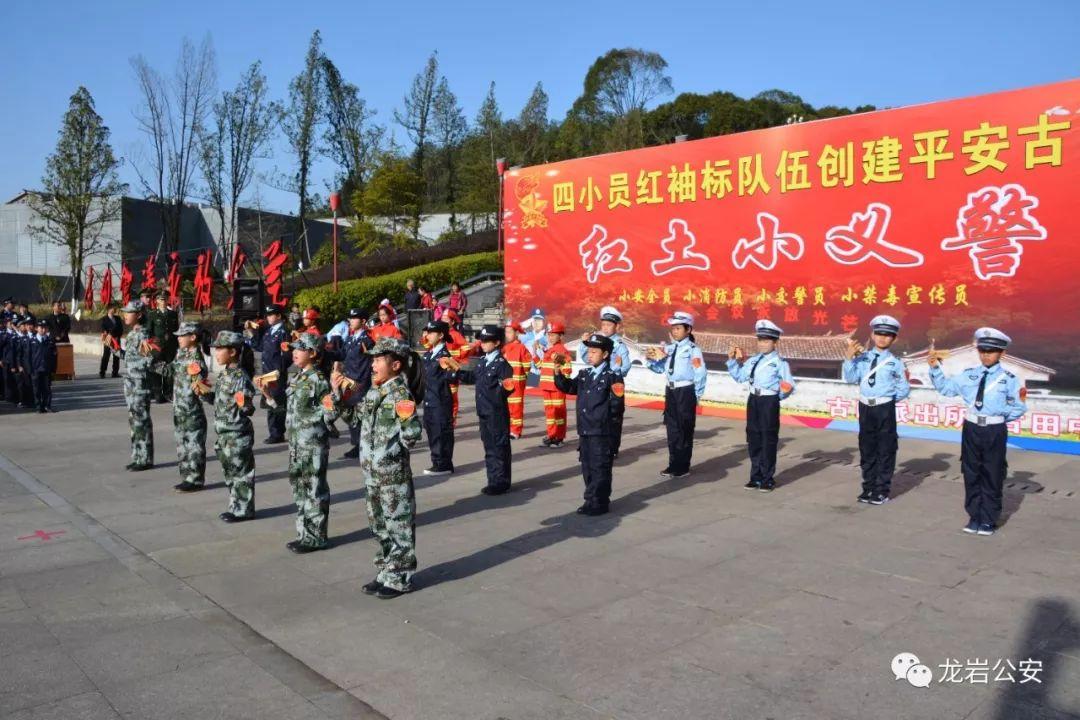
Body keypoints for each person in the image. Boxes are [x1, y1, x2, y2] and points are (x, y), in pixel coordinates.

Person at [341, 337, 423, 599]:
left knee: (398, 525)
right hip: (372, 474)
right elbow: (355, 418)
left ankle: (399, 577)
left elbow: (412, 433)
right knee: (380, 526)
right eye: (372, 360)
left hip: (392, 475)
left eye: (378, 360)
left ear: (395, 364)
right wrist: (342, 397)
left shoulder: (401, 394)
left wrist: (404, 432)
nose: (373, 364)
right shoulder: (375, 392)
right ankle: (386, 571)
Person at [928, 328, 1027, 536]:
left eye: (991, 351)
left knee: (992, 473)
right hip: (971, 428)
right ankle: (974, 516)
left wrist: (995, 419)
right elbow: (946, 388)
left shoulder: (1009, 379)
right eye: (982, 350)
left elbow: (1018, 407)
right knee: (971, 472)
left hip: (994, 429)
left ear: (1002, 354)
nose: (986, 355)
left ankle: (989, 519)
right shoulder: (968, 375)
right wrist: (935, 368)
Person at [263, 333, 339, 552]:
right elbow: (289, 410)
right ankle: (304, 533)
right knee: (300, 489)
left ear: (313, 353)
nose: (294, 353)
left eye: (300, 349)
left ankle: (316, 537)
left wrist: (335, 394)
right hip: (297, 443)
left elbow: (329, 413)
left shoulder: (318, 380)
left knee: (314, 489)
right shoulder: (298, 378)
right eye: (294, 349)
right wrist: (268, 396)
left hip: (313, 443)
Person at [842, 315, 911, 505]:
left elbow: (904, 388)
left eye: (888, 335)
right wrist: (848, 359)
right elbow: (850, 378)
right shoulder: (861, 358)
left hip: (884, 408)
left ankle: (881, 490)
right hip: (865, 407)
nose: (882, 338)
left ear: (894, 339)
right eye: (879, 333)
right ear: (872, 335)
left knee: (885, 449)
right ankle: (868, 488)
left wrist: (886, 400)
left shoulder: (896, 363)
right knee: (867, 448)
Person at [554, 333, 625, 515]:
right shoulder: (585, 374)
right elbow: (569, 387)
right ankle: (590, 500)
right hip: (585, 429)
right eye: (588, 351)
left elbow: (617, 409)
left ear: (605, 354)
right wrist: (558, 373)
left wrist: (613, 438)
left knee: (600, 467)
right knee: (587, 467)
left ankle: (600, 503)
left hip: (601, 432)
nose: (590, 355)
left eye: (594, 351)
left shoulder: (613, 378)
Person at [443, 325, 514, 495]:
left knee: (499, 447)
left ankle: (501, 481)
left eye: (487, 340)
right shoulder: (483, 361)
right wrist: (456, 370)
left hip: (496, 412)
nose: (482, 343)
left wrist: (497, 395)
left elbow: (509, 387)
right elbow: (472, 378)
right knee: (489, 447)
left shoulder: (502, 364)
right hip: (483, 411)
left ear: (497, 342)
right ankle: (493, 479)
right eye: (481, 340)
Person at [726, 320, 796, 492]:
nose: (762, 344)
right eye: (760, 340)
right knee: (753, 438)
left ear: (775, 342)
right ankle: (755, 476)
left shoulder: (780, 363)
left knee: (768, 439)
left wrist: (774, 397)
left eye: (766, 340)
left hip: (768, 402)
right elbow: (740, 377)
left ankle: (767, 478)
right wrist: (733, 361)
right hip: (753, 400)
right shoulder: (753, 360)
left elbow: (788, 385)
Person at [202, 331, 258, 521]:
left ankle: (243, 510)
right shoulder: (226, 374)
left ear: (232, 352)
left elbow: (248, 407)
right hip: (224, 432)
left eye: (219, 349)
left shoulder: (240, 377)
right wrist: (204, 393)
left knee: (241, 474)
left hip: (237, 433)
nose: (216, 353)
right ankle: (236, 506)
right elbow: (219, 401)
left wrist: (245, 405)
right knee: (231, 473)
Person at [646, 311, 708, 478]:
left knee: (684, 429)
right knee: (672, 429)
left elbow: (700, 373)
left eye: (679, 328)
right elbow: (659, 369)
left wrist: (697, 395)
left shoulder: (693, 350)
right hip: (671, 390)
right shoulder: (669, 349)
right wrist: (650, 359)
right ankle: (673, 464)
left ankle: (683, 465)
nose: (675, 331)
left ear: (688, 330)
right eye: (673, 328)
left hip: (685, 391)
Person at [578, 305, 632, 457]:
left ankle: (612, 449)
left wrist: (611, 371)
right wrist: (584, 345)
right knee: (597, 413)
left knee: (614, 415)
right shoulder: (597, 342)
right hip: (598, 383)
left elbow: (625, 367)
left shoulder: (620, 345)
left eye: (609, 325)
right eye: (604, 325)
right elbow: (586, 359)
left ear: (617, 326)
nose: (606, 328)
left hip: (613, 382)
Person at [165, 322, 209, 492]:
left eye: (183, 335)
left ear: (193, 337)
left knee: (194, 445)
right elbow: (170, 370)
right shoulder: (181, 354)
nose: (179, 338)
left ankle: (196, 479)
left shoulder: (196, 359)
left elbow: (200, 385)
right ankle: (186, 477)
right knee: (182, 445)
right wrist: (150, 361)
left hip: (192, 409)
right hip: (179, 407)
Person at [328, 308, 375, 459]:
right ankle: (357, 444)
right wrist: (324, 351)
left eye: (354, 318)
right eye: (350, 318)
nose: (351, 321)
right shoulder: (350, 338)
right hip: (348, 382)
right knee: (351, 416)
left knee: (360, 417)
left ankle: (362, 446)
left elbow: (373, 361)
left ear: (363, 321)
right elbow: (342, 354)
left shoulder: (367, 341)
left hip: (361, 383)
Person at [120, 300, 158, 470]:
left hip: (140, 383)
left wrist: (137, 367)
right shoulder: (132, 334)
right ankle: (137, 456)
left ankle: (145, 459)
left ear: (139, 315)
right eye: (125, 312)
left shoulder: (144, 335)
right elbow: (130, 358)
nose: (125, 315)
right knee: (134, 421)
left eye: (129, 312)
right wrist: (114, 348)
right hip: (131, 382)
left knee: (141, 420)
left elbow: (149, 360)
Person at [420, 320, 456, 475]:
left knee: (441, 432)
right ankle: (436, 461)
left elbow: (453, 377)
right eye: (427, 332)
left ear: (441, 335)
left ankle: (444, 464)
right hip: (429, 399)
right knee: (432, 431)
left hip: (440, 400)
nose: (427, 335)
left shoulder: (445, 356)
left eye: (431, 332)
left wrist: (451, 367)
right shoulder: (428, 355)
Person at [250, 305, 290, 444]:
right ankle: (273, 431)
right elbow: (258, 346)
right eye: (267, 315)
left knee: (277, 402)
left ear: (279, 316)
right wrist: (253, 332)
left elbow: (287, 355)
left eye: (271, 315)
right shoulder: (269, 331)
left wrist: (281, 369)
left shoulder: (284, 332)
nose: (268, 317)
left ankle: (278, 433)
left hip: (276, 374)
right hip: (267, 372)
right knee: (269, 401)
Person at [538, 321, 572, 448]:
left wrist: (564, 383)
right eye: (549, 334)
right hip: (547, 387)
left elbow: (567, 366)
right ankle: (552, 435)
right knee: (550, 413)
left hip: (557, 387)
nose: (550, 337)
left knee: (559, 414)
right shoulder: (550, 350)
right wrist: (536, 356)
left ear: (561, 336)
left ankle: (559, 437)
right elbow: (542, 366)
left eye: (553, 334)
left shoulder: (562, 350)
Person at [502, 323, 531, 439]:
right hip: (507, 382)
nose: (507, 334)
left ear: (516, 333)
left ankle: (516, 431)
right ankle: (509, 428)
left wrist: (522, 379)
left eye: (509, 332)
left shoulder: (521, 348)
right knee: (507, 407)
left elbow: (527, 366)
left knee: (516, 407)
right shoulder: (505, 348)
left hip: (517, 383)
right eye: (506, 332)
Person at [30, 319, 57, 413]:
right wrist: (29, 368)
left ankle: (47, 406)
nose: (43, 330)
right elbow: (27, 356)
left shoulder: (50, 341)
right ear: (37, 328)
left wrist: (54, 369)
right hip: (36, 368)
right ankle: (38, 407)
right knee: (36, 389)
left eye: (45, 328)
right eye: (41, 328)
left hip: (46, 368)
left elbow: (54, 356)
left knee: (47, 388)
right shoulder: (32, 340)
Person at [522, 308, 548, 380]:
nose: (537, 323)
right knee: (531, 390)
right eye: (535, 320)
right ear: (531, 322)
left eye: (539, 320)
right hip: (529, 372)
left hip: (544, 372)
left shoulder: (548, 338)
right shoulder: (525, 336)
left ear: (543, 322)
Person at [100, 304, 123, 378]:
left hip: (116, 339)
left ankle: (115, 372)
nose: (114, 310)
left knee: (116, 356)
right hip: (108, 340)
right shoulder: (104, 319)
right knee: (106, 356)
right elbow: (104, 329)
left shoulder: (118, 318)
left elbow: (120, 328)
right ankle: (102, 372)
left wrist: (117, 336)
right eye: (113, 308)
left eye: (115, 308)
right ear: (109, 310)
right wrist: (108, 333)